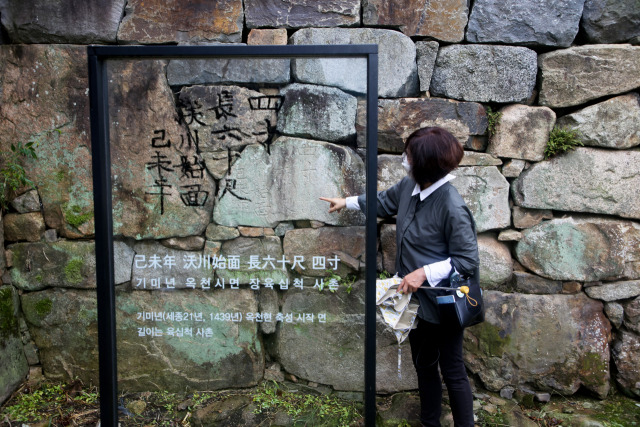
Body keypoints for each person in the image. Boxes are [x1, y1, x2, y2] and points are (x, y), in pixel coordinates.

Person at [320, 126, 478, 427]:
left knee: (453, 369)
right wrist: (347, 202)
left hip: (444, 302)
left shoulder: (451, 206)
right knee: (424, 364)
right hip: (415, 301)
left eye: (408, 155)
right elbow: (382, 201)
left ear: (425, 164)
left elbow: (467, 260)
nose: (403, 159)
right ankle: (429, 422)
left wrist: (424, 272)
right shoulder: (410, 187)